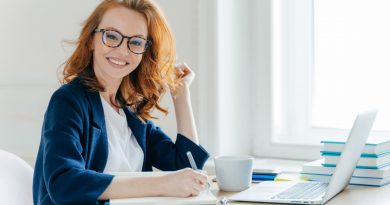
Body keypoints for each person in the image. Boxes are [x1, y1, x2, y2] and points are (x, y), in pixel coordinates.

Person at [32, 0, 210, 204]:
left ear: (144, 51)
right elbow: (64, 184)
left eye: (135, 42)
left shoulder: (131, 112)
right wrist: (161, 183)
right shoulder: (68, 101)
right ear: (91, 40)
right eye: (112, 36)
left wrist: (181, 95)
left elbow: (189, 167)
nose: (123, 50)